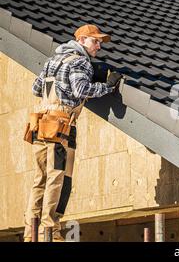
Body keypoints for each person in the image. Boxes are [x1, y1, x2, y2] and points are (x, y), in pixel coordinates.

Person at [23, 24, 122, 242]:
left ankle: (31, 233)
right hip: (60, 127)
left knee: (40, 178)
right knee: (57, 178)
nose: (98, 46)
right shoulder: (79, 61)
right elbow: (81, 89)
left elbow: (35, 89)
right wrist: (108, 86)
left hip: (40, 125)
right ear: (82, 40)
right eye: (95, 41)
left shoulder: (52, 61)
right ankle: (50, 232)